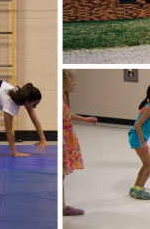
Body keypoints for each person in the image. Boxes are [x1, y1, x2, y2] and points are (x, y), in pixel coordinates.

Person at [62, 69, 97, 215]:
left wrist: (85, 119)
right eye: (73, 80)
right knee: (60, 173)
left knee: (62, 173)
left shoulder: (63, 97)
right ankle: (62, 207)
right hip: (63, 137)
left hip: (67, 134)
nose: (75, 83)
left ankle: (62, 206)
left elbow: (66, 113)